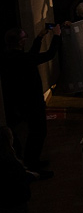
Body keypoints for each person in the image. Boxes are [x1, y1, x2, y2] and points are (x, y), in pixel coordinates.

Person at [2, 24, 63, 174]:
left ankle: (31, 160)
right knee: (38, 132)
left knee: (33, 132)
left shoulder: (10, 57)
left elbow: (32, 56)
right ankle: (32, 164)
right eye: (25, 38)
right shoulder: (24, 59)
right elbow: (48, 55)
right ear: (21, 42)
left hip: (20, 101)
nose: (26, 40)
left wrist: (40, 37)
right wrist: (56, 35)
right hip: (32, 101)